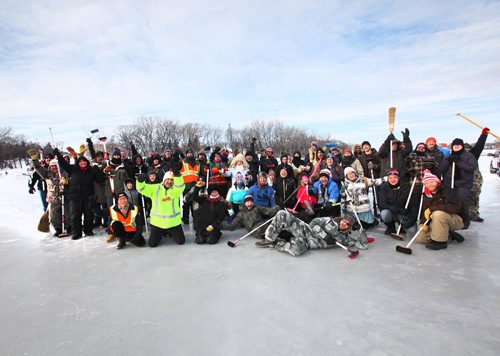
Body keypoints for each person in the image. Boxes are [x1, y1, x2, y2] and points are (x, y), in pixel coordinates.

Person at [255, 210, 365, 257]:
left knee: (296, 251)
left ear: (349, 228)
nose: (344, 224)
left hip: (307, 243)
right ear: (341, 219)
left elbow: (359, 244)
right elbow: (313, 223)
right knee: (282, 214)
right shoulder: (328, 220)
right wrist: (325, 236)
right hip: (304, 230)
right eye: (344, 221)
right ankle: (269, 239)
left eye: (347, 225)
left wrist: (362, 234)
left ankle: (277, 244)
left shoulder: (344, 238)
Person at [56, 148, 103, 240]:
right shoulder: (73, 169)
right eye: (80, 162)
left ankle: (88, 230)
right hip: (74, 197)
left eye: (84, 162)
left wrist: (97, 169)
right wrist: (58, 154)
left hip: (88, 197)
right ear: (77, 163)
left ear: (87, 163)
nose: (82, 163)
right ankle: (76, 233)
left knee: (89, 216)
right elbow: (63, 164)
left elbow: (100, 179)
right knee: (75, 216)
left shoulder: (91, 170)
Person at [136, 167, 186, 248]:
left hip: (173, 223)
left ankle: (169, 232)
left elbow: (181, 185)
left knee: (181, 241)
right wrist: (140, 181)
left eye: (172, 180)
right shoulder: (155, 188)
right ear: (164, 179)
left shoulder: (176, 190)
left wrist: (178, 176)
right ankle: (163, 232)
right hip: (157, 224)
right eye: (167, 179)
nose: (169, 181)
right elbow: (141, 188)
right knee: (152, 244)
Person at [415, 170, 465, 250]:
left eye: (431, 182)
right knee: (420, 238)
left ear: (437, 182)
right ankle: (449, 236)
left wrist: (432, 209)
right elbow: (425, 211)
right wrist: (423, 223)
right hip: (438, 221)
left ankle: (440, 242)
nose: (429, 185)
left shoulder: (447, 191)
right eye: (427, 183)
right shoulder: (426, 195)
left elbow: (455, 207)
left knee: (437, 214)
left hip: (456, 220)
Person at [27, 150, 70, 236]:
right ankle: (58, 229)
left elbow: (71, 180)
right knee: (54, 215)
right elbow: (38, 168)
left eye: (55, 166)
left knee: (67, 213)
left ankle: (69, 227)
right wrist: (35, 160)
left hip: (65, 197)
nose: (53, 168)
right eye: (52, 166)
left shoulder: (64, 173)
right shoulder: (47, 174)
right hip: (53, 198)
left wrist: (66, 181)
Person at [438, 138, 477, 229]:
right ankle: (453, 221)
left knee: (463, 202)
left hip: (463, 184)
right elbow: (441, 169)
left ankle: (465, 221)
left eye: (459, 145)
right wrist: (448, 161)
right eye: (455, 145)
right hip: (449, 183)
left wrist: (458, 162)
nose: (456, 147)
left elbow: (471, 167)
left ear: (462, 146)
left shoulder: (468, 156)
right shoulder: (449, 157)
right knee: (450, 202)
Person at [378, 170, 418, 235]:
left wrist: (409, 215)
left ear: (398, 178)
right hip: (391, 211)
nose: (392, 180)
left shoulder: (406, 188)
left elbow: (414, 205)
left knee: (411, 231)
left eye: (395, 177)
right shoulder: (384, 187)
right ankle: (391, 227)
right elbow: (382, 203)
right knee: (384, 213)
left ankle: (402, 225)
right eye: (390, 178)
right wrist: (395, 209)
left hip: (402, 213)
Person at [467, 127, 489, 223]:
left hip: (475, 181)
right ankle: (463, 216)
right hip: (463, 182)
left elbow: (479, 145)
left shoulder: (474, 156)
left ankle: (474, 215)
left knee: (474, 199)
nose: (466, 152)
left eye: (468, 150)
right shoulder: (457, 158)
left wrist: (483, 135)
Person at [180, 147, 199, 224]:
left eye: (191, 153)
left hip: (195, 185)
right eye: (188, 153)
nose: (190, 154)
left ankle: (195, 217)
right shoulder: (182, 162)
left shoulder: (196, 163)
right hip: (186, 186)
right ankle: (185, 218)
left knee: (194, 203)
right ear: (186, 154)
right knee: (186, 202)